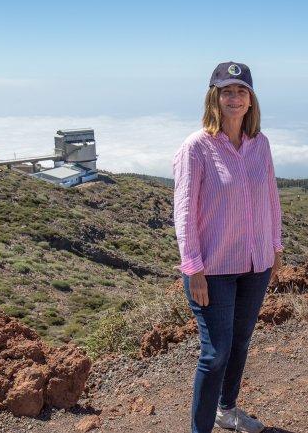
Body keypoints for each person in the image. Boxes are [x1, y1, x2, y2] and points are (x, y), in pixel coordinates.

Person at [172, 61, 283, 433]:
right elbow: (184, 211)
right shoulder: (197, 147)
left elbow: (271, 198)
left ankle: (227, 410)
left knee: (240, 342)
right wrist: (193, 268)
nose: (235, 98)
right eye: (227, 91)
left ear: (251, 101)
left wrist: (276, 246)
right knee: (215, 352)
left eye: (241, 91)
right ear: (214, 98)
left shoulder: (260, 144)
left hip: (256, 263)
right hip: (213, 269)